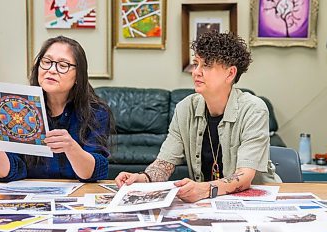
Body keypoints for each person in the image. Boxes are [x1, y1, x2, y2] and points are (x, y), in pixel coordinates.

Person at [115, 31, 280, 202]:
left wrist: (203, 189)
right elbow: (164, 165)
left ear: (230, 74)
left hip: (255, 201)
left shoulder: (254, 109)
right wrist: (142, 179)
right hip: (210, 202)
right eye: (196, 64)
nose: (196, 72)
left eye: (206, 65)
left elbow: (244, 177)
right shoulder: (185, 108)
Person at [0, 35, 112, 182]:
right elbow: (4, 172)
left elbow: (92, 173)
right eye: (46, 62)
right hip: (28, 197)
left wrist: (71, 147)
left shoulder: (96, 112)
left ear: (78, 75)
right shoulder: (19, 108)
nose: (52, 70)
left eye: (63, 65)